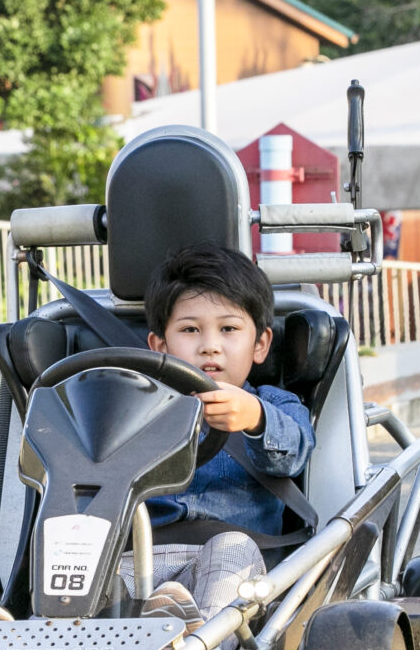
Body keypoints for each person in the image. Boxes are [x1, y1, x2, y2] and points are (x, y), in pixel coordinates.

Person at [126, 241, 315, 623]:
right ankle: (32, 639)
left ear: (260, 344)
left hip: (236, 556)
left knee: (231, 550)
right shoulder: (133, 408)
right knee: (81, 575)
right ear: (159, 346)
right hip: (141, 555)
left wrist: (255, 418)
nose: (210, 346)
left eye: (228, 329)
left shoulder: (274, 403)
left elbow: (295, 453)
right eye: (190, 330)